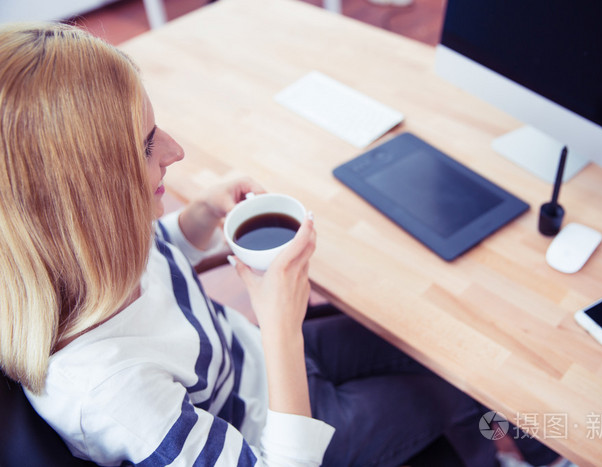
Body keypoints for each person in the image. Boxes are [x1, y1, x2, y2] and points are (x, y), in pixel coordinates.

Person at [0, 23, 559, 467]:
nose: (175, 151)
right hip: (284, 434)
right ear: (87, 197)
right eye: (148, 146)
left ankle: (514, 450)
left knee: (454, 356)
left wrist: (200, 216)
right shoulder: (110, 393)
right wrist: (282, 324)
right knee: (453, 392)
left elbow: (159, 258)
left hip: (260, 363)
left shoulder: (82, 250)